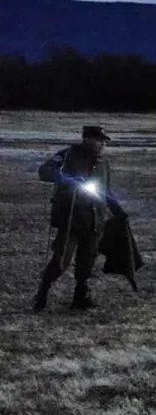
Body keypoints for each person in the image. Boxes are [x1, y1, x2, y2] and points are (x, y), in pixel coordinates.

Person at [33, 125, 124, 312]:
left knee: (87, 263)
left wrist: (119, 212)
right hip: (71, 219)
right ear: (87, 139)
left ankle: (81, 297)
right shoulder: (68, 155)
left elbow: (106, 191)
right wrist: (68, 180)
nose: (102, 144)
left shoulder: (103, 163)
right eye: (99, 140)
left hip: (94, 221)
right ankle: (42, 293)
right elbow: (44, 171)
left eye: (104, 141)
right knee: (60, 262)